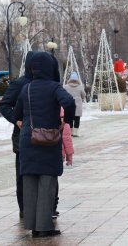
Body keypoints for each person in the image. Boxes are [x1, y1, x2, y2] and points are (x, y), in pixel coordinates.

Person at [14, 52, 75, 237]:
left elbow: (17, 113)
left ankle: (33, 226)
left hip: (28, 140)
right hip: (48, 140)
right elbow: (69, 102)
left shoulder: (27, 88)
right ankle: (44, 227)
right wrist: (66, 122)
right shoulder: (54, 87)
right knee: (47, 182)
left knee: (30, 181)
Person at [0, 51, 35, 218]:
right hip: (22, 136)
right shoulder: (20, 83)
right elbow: (4, 105)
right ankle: (25, 208)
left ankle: (45, 206)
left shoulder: (48, 82)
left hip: (45, 135)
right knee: (23, 173)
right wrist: (17, 120)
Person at [64, 71, 86, 137]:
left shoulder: (65, 87)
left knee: (69, 119)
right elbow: (84, 95)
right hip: (77, 106)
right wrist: (81, 97)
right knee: (77, 119)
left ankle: (70, 132)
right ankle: (75, 133)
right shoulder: (80, 87)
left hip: (68, 105)